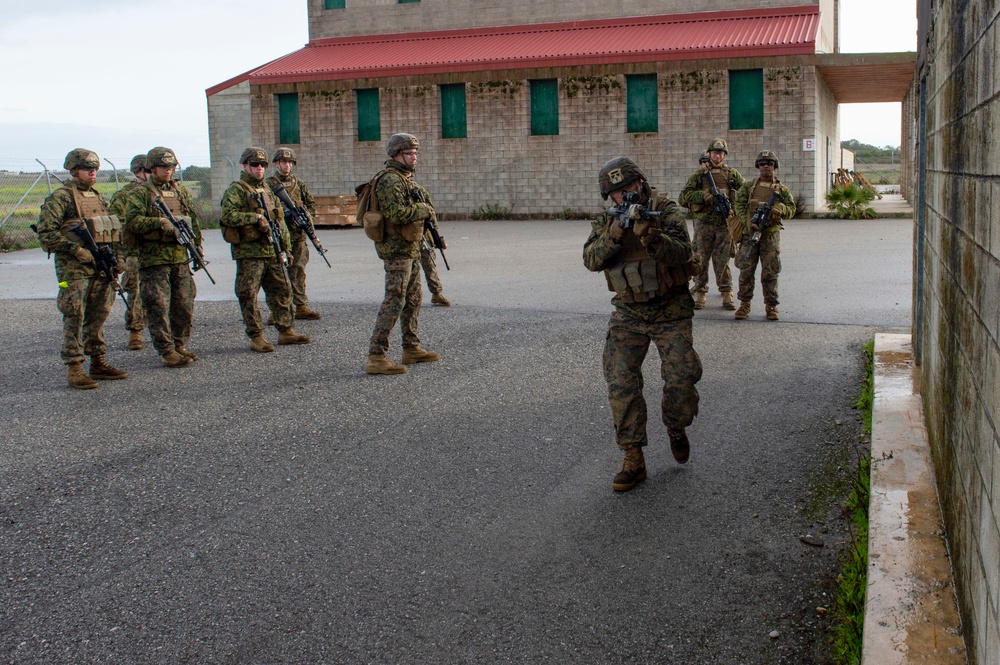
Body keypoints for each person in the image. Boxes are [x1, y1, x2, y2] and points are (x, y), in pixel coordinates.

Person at [583, 157, 703, 492]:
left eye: (628, 188)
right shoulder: (607, 221)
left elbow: (684, 253)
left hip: (671, 310)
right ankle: (633, 457)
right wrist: (615, 234)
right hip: (629, 314)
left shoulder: (665, 210)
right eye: (617, 193)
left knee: (680, 380)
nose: (624, 196)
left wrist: (654, 240)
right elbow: (591, 260)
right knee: (620, 383)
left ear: (641, 183)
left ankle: (676, 427)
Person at [36, 148, 128, 389]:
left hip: (99, 267)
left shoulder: (97, 197)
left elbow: (108, 230)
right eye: (88, 168)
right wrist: (77, 250)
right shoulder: (62, 198)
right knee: (74, 314)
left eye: (95, 168)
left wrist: (117, 259)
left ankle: (98, 361)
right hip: (74, 270)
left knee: (99, 313)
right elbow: (46, 233)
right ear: (74, 170)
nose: (92, 172)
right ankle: (75, 367)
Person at [219, 147, 310, 352]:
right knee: (248, 294)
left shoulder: (268, 190)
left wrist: (286, 246)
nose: (259, 168)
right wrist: (255, 218)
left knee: (282, 289)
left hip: (272, 250)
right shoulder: (237, 190)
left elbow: (279, 221)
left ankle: (286, 330)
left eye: (262, 165)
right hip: (250, 252)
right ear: (245, 166)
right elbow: (227, 216)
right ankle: (256, 335)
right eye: (254, 164)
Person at [365, 133, 440, 375]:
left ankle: (411, 347)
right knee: (395, 299)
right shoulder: (390, 181)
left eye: (415, 153)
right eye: (409, 153)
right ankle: (376, 355)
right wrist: (422, 209)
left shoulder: (406, 179)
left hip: (411, 248)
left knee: (414, 298)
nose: (414, 157)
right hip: (396, 250)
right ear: (396, 154)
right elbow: (396, 214)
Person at [123, 147, 203, 367]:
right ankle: (166, 350)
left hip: (180, 256)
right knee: (157, 306)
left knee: (184, 304)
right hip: (154, 259)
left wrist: (197, 247)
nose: (168, 171)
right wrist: (159, 223)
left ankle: (179, 344)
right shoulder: (141, 193)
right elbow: (132, 221)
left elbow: (192, 221)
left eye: (171, 167)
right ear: (152, 168)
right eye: (163, 167)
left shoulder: (180, 192)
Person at [679, 138, 746, 311]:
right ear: (709, 154)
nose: (717, 155)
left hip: (724, 224)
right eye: (715, 152)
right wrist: (703, 196)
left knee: (722, 261)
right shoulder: (700, 175)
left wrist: (737, 208)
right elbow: (683, 197)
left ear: (724, 155)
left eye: (721, 152)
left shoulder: (732, 174)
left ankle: (726, 293)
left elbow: (746, 192)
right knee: (700, 259)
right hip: (704, 224)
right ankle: (700, 291)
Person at [733, 150, 796, 321]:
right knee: (746, 270)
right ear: (757, 167)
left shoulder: (781, 189)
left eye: (769, 163)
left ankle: (771, 306)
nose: (765, 166)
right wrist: (748, 223)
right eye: (762, 163)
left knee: (770, 271)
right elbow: (739, 204)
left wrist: (781, 209)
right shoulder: (748, 187)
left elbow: (792, 209)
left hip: (770, 236)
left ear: (775, 166)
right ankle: (744, 304)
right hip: (750, 234)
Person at [265, 147, 322, 321]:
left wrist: (305, 219)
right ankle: (278, 309)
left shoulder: (299, 184)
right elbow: (266, 207)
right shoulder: (269, 184)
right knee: (277, 273)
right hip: (279, 236)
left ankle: (301, 305)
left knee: (298, 270)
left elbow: (310, 204)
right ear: (276, 163)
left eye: (290, 162)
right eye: (283, 162)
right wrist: (284, 214)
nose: (287, 165)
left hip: (297, 236)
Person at [108, 154, 149, 350]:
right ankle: (136, 331)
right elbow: (116, 227)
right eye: (147, 170)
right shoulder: (123, 196)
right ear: (138, 172)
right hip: (134, 251)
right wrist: (120, 256)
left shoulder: (158, 192)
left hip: (156, 250)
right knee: (136, 292)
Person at [419, 229, 451, 306]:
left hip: (424, 236)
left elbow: (432, 223)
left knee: (430, 266)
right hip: (410, 238)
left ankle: (436, 293)